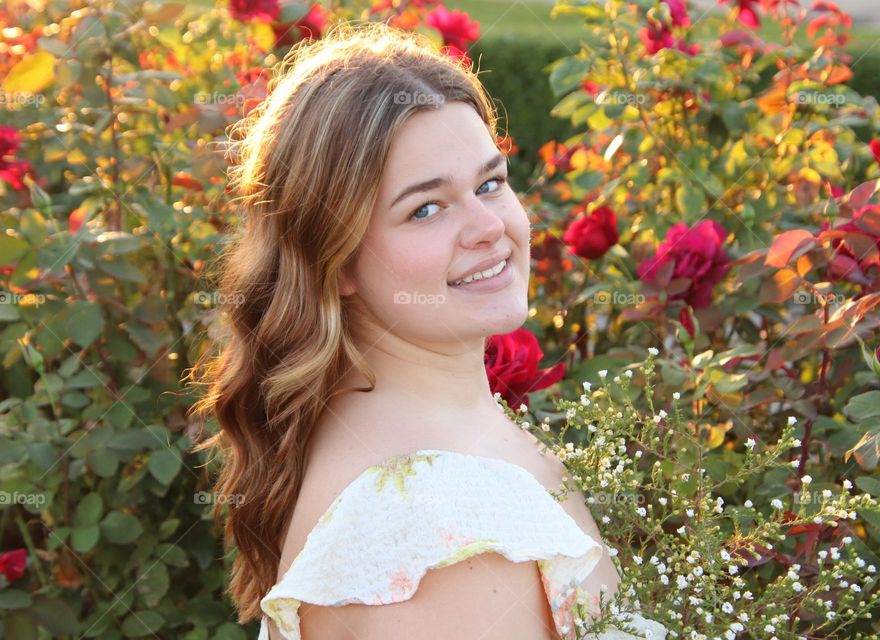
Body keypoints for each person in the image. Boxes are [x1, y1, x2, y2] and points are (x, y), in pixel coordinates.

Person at [188, 19, 667, 640]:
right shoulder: (428, 527)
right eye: (426, 208)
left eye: (490, 183)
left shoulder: (426, 441)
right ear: (335, 263)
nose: (488, 226)